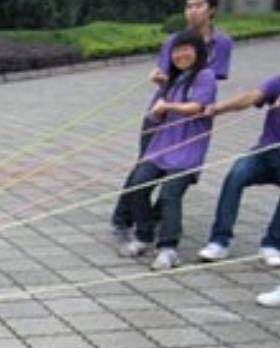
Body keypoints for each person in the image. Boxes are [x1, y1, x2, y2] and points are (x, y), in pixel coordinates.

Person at [112, 0, 232, 238]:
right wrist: (161, 80)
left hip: (191, 116)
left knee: (179, 172)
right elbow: (171, 75)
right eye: (188, 6)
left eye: (198, 5)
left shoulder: (223, 43)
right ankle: (122, 218)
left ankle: (156, 220)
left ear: (212, 10)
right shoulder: (171, 41)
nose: (192, 11)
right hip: (161, 113)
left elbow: (207, 81)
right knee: (144, 167)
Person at [114, 31, 216, 272]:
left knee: (170, 195)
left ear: (197, 51)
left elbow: (198, 106)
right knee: (137, 186)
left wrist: (168, 105)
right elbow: (153, 114)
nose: (180, 54)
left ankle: (168, 249)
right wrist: (161, 99)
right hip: (161, 147)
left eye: (186, 49)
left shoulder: (205, 75)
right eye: (175, 50)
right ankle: (144, 236)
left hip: (187, 149)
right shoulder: (172, 80)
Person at [196, 76, 279, 268]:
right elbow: (251, 96)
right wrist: (218, 108)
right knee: (235, 176)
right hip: (264, 152)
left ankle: (273, 244)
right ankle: (219, 241)